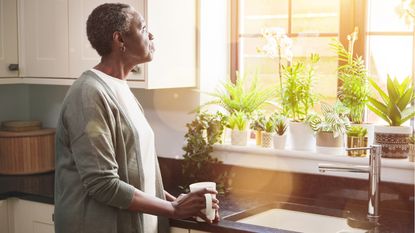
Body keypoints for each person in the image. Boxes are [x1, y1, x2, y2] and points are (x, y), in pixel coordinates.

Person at [54, 3, 219, 233]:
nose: (151, 35)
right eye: (142, 28)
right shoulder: (88, 94)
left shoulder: (121, 89)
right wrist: (173, 209)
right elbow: (102, 184)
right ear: (120, 39)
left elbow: (138, 172)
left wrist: (177, 202)